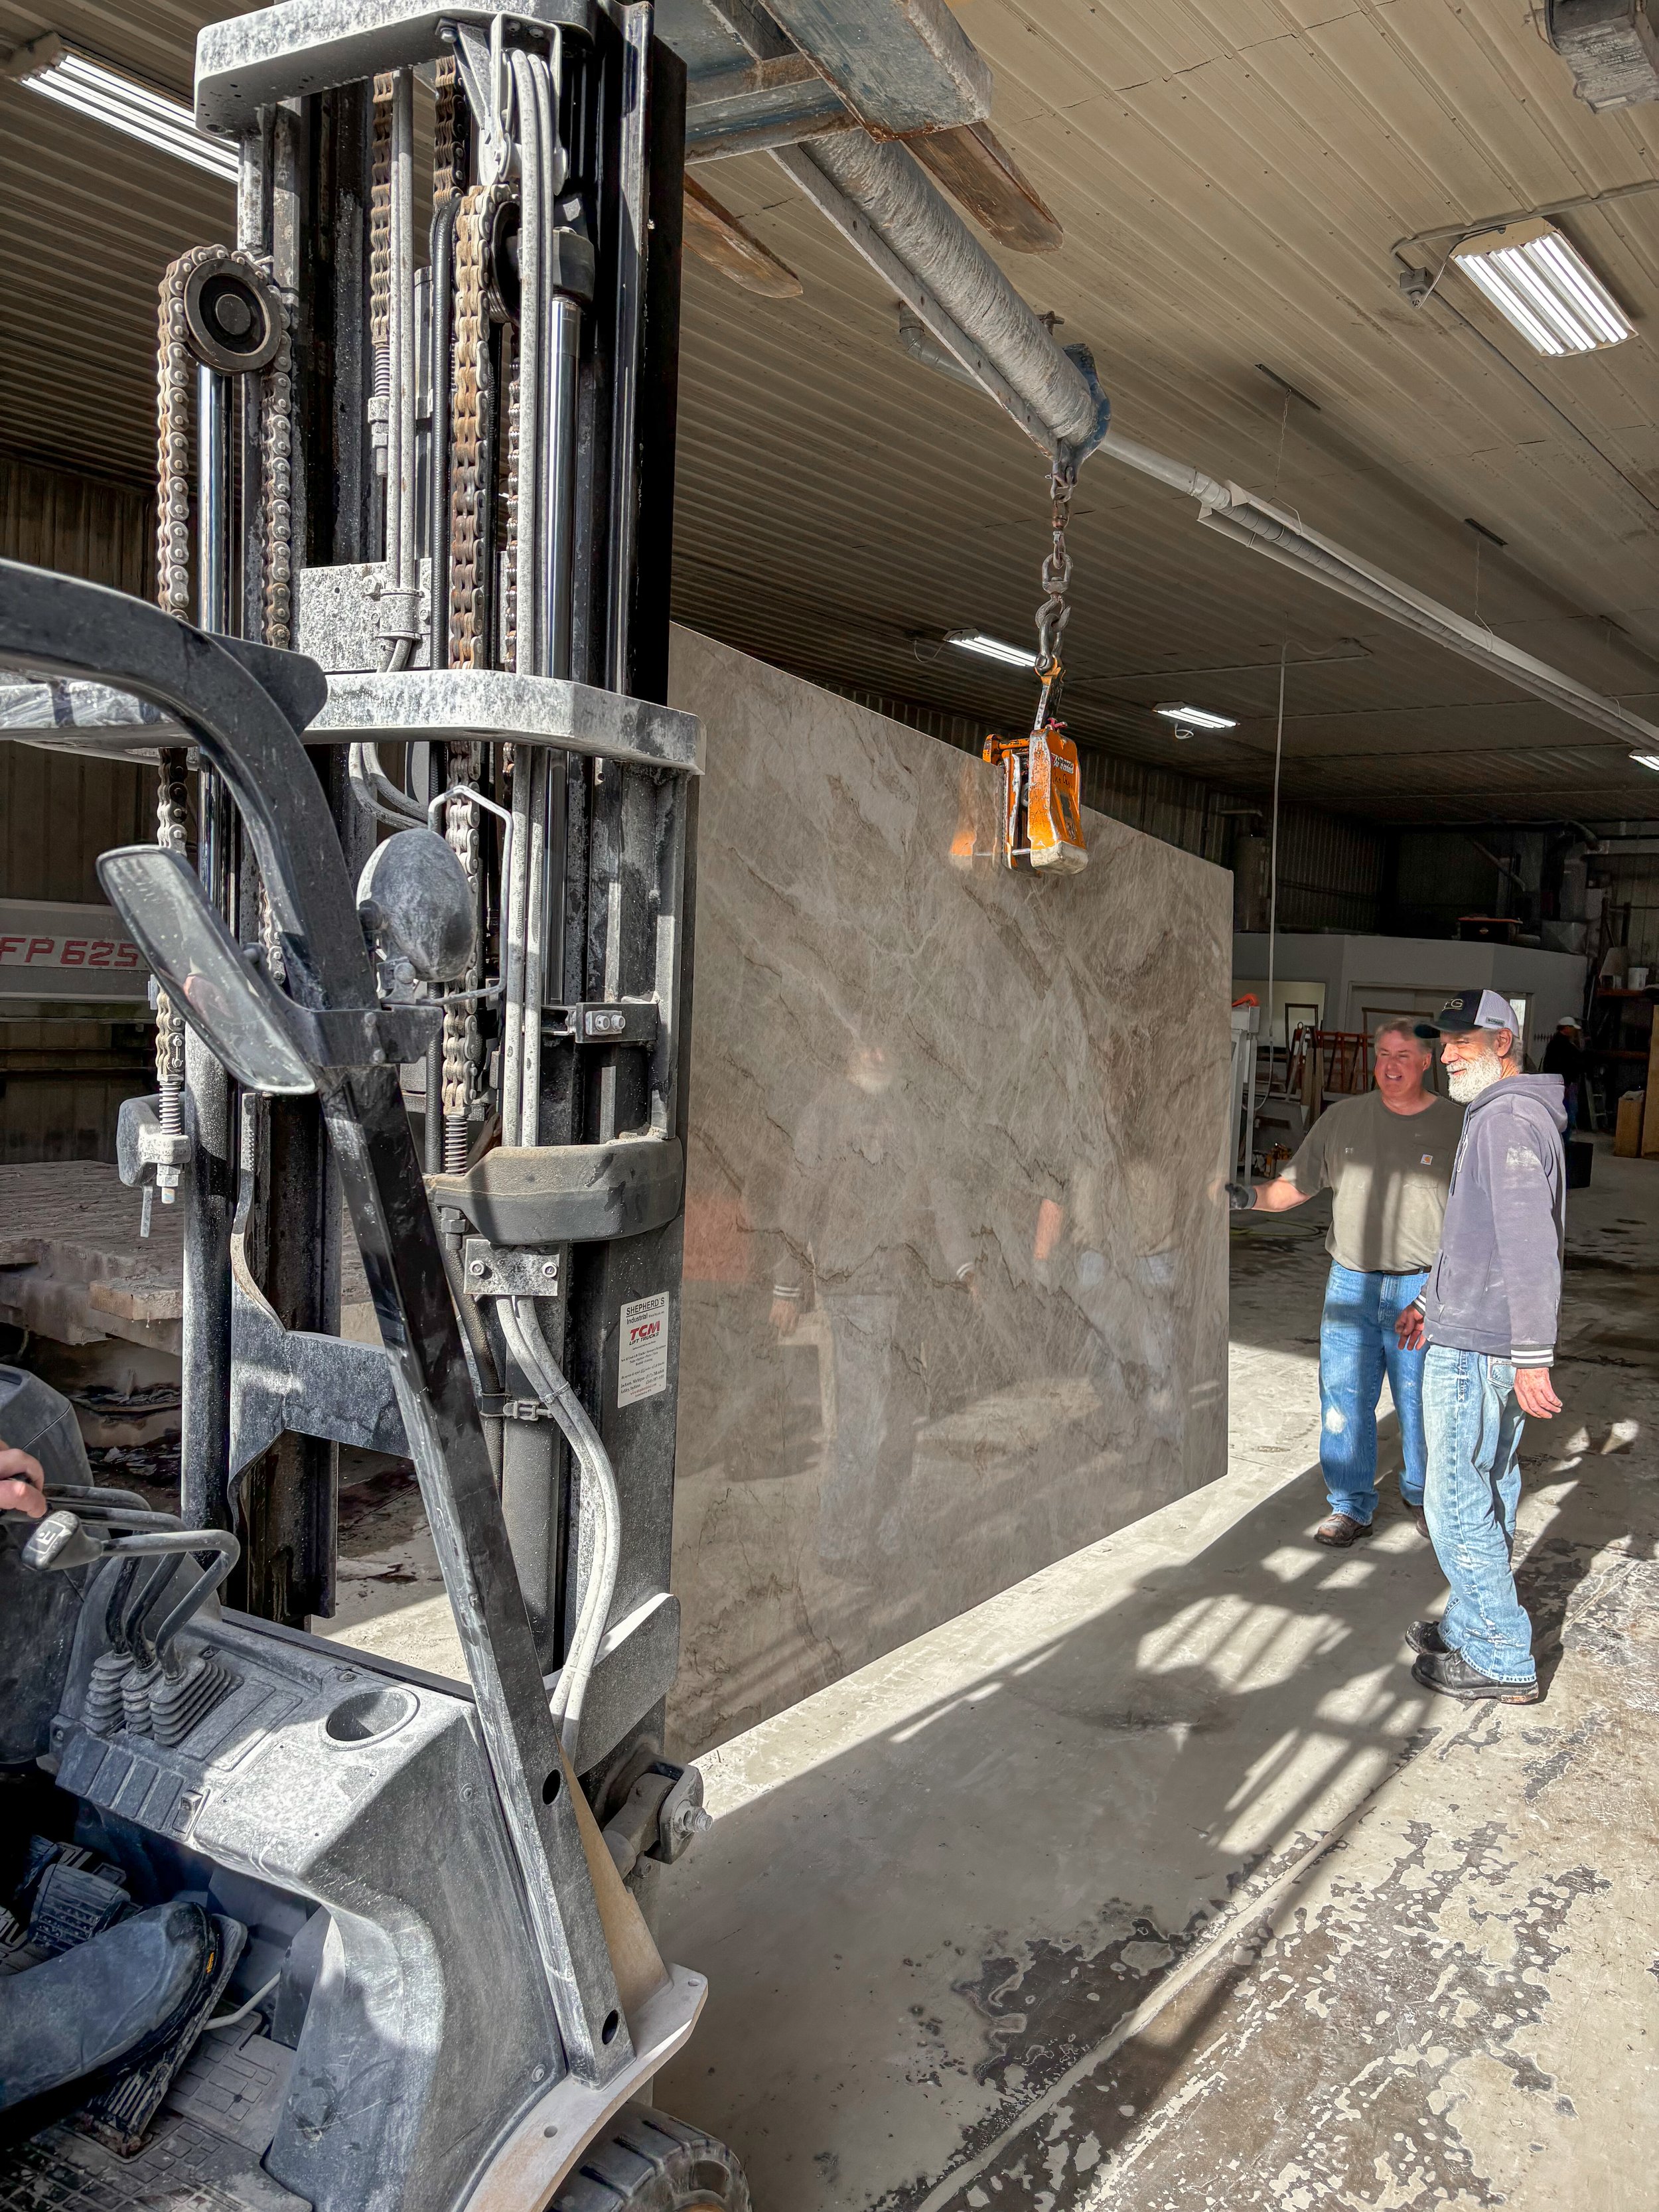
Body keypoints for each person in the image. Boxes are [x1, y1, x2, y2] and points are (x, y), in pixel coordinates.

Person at [1230, 1019, 1463, 1547]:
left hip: (1421, 1289)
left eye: (1404, 1054)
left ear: (1427, 1061)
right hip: (1350, 1284)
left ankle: (1425, 1496)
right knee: (1343, 1400)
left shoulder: (1457, 1125)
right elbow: (1291, 1190)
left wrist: (1438, 1295)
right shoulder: (1343, 1119)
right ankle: (1350, 1505)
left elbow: (1475, 1221)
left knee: (1423, 1402)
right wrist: (1233, 1196)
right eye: (1383, 1053)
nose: (1392, 1064)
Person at [1396, 989, 1565, 1705]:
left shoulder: (1505, 1122)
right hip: (1473, 1329)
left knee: (1456, 1498)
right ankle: (1471, 1625)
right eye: (1443, 1043)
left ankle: (1499, 1651)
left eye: (1463, 1041)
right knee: (1488, 1483)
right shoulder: (1503, 1114)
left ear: (1504, 1042)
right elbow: (1476, 1237)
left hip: (1481, 1348)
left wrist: (1531, 1352)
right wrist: (1431, 1302)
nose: (1446, 1054)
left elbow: (1529, 1247)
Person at [1540, 1015, 1586, 1136]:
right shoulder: (1563, 1046)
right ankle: (1564, 1143)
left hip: (1561, 1085)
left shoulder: (1556, 1043)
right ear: (1566, 1028)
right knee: (1567, 1115)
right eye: (1572, 1028)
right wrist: (1565, 1084)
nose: (1574, 1032)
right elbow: (1566, 1065)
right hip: (1565, 1086)